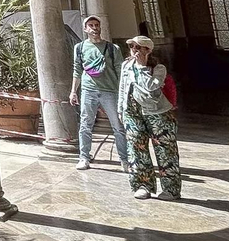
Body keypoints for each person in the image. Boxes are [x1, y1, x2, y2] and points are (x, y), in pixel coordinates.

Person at [118, 35, 180, 200]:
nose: (135, 51)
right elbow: (123, 88)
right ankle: (142, 185)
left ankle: (171, 189)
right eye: (132, 47)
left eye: (139, 47)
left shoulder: (158, 68)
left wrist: (142, 66)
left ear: (148, 50)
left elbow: (151, 88)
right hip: (132, 113)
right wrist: (120, 109)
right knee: (136, 149)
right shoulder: (126, 66)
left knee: (165, 150)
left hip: (157, 113)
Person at [69, 15, 126, 170]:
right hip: (88, 90)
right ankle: (84, 157)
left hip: (110, 90)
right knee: (85, 125)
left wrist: (123, 91)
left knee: (118, 126)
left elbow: (120, 70)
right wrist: (73, 91)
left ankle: (124, 159)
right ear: (85, 29)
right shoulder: (79, 48)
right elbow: (77, 69)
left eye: (96, 25)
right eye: (91, 25)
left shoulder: (113, 48)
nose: (94, 28)